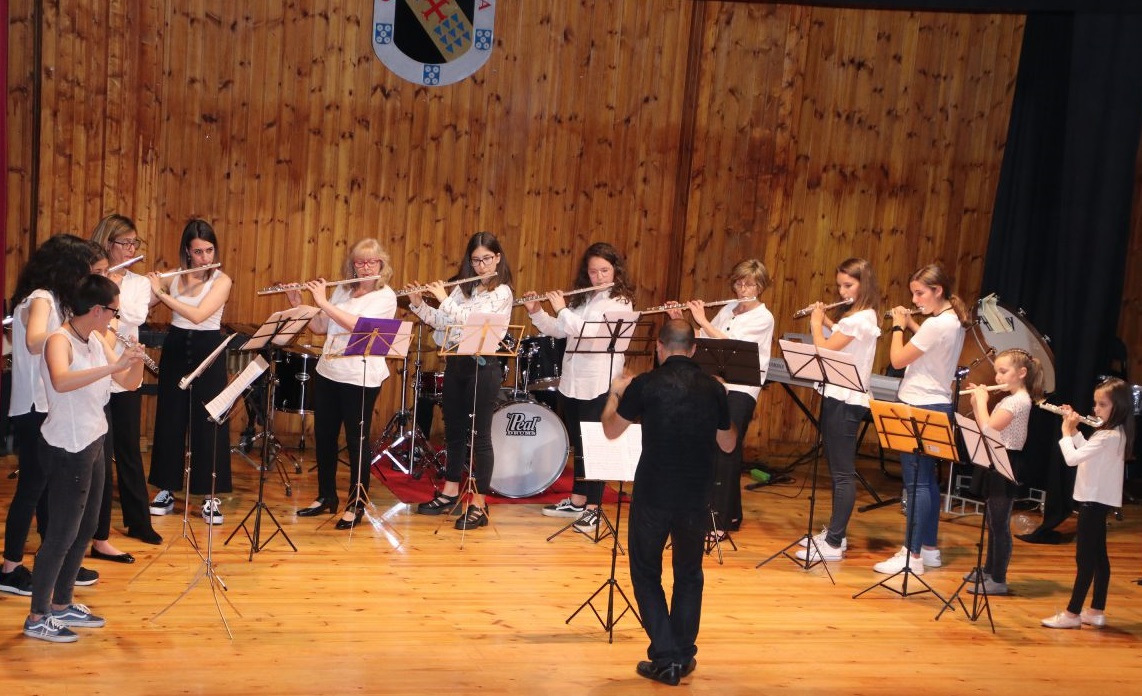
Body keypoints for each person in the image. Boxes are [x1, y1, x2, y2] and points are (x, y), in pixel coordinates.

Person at [601, 319, 735, 686]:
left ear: (659, 348)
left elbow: (611, 430)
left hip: (654, 492)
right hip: (696, 494)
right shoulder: (713, 388)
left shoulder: (645, 383)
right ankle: (682, 653)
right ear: (693, 349)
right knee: (689, 573)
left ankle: (666, 657)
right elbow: (728, 444)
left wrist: (616, 393)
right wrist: (723, 403)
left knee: (646, 572)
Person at [23, 275, 145, 642]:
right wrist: (114, 366)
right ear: (97, 310)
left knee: (86, 528)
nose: (115, 319)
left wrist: (133, 360)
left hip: (93, 439)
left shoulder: (93, 338)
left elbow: (128, 383)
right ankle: (37, 615)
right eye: (113, 311)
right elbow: (61, 381)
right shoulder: (59, 340)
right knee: (61, 534)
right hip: (67, 445)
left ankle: (62, 604)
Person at [2, 235, 103, 597]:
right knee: (32, 487)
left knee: (48, 488)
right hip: (35, 407)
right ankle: (10, 567)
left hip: (47, 405)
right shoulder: (43, 297)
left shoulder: (55, 298)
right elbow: (31, 341)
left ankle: (54, 560)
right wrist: (68, 334)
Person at [525, 242, 635, 534]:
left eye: (604, 270)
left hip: (599, 381)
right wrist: (537, 312)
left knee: (595, 445)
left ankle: (594, 509)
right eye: (593, 271)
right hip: (574, 380)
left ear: (615, 271)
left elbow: (585, 333)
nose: (598, 276)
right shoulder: (584, 299)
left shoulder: (619, 303)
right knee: (580, 444)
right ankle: (577, 500)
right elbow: (560, 331)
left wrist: (561, 308)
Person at [407, 231, 513, 530]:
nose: (481, 266)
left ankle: (479, 504)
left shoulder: (502, 292)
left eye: (486, 259)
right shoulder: (462, 289)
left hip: (484, 365)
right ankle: (450, 491)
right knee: (453, 431)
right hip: (456, 362)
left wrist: (443, 299)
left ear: (498, 258)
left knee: (480, 436)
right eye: (476, 260)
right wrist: (419, 305)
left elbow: (472, 322)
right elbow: (443, 322)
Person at [289, 239, 398, 529]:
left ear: (381, 265)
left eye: (371, 262)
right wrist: (301, 306)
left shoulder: (385, 296)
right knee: (323, 437)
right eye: (359, 262)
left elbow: (359, 326)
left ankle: (357, 502)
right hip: (328, 371)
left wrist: (323, 302)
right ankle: (326, 497)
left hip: (360, 377)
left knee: (356, 442)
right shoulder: (342, 289)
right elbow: (322, 327)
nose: (365, 267)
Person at [873, 264, 968, 576]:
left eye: (920, 293)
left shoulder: (937, 325)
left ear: (938, 290)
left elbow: (897, 360)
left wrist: (899, 327)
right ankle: (928, 549)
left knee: (916, 483)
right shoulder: (951, 319)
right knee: (927, 480)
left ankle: (910, 555)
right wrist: (914, 323)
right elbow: (930, 346)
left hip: (918, 404)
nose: (915, 299)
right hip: (937, 402)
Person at [668, 259, 772, 540]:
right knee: (719, 449)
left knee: (727, 449)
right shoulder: (728, 309)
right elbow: (704, 339)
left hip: (742, 388)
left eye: (749, 283)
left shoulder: (764, 317)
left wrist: (701, 319)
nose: (742, 288)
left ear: (760, 286)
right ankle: (732, 514)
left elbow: (730, 346)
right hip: (718, 385)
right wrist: (680, 320)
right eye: (739, 281)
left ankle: (721, 521)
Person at [146, 220, 233, 524]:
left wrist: (164, 294)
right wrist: (151, 289)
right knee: (170, 417)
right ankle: (166, 489)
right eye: (198, 252)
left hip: (208, 348)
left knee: (210, 419)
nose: (205, 258)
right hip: (176, 345)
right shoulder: (174, 276)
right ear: (187, 251)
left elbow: (198, 315)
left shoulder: (222, 280)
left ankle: (211, 495)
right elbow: (144, 307)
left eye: (209, 250)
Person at [796, 258, 880, 562]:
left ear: (864, 284)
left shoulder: (860, 318)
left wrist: (816, 324)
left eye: (849, 285)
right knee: (836, 470)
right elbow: (844, 341)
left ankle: (833, 542)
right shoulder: (860, 317)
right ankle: (837, 534)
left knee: (842, 474)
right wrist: (831, 323)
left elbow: (825, 349)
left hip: (845, 400)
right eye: (840, 285)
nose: (842, 291)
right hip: (839, 396)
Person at [89, 215, 163, 559]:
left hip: (128, 366)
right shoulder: (92, 277)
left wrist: (114, 293)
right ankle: (96, 530)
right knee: (99, 455)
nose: (132, 250)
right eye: (125, 244)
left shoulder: (137, 283)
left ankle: (139, 521)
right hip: (97, 367)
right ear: (108, 244)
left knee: (129, 449)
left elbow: (135, 316)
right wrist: (105, 282)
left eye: (135, 244)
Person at [1041, 378, 1132, 629]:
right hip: (1096, 501)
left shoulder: (1109, 435)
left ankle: (1072, 615)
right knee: (1099, 558)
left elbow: (1072, 459)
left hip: (1093, 502)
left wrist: (1065, 432)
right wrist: (1074, 429)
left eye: (1102, 404)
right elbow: (1086, 452)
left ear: (1119, 407)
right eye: (1095, 403)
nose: (1095, 410)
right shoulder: (1111, 432)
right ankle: (1096, 611)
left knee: (1085, 560)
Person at [963, 349, 1043, 595]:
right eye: (997, 371)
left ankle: (998, 579)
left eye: (1003, 371)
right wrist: (978, 404)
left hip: (1007, 461)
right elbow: (985, 427)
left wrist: (981, 402)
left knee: (999, 523)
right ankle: (988, 570)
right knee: (992, 521)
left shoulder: (1017, 401)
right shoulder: (1009, 399)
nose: (997, 377)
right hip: (996, 457)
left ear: (1021, 373)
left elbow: (988, 428)